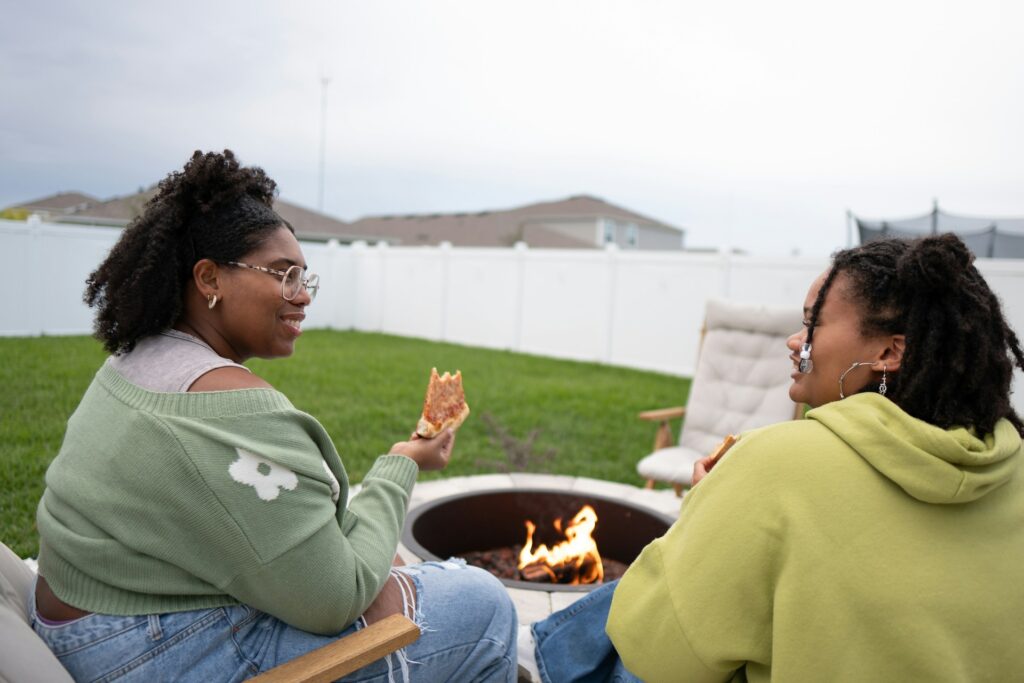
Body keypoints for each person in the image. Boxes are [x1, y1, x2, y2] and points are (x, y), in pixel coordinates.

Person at [32, 150, 517, 682]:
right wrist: (403, 462)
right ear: (210, 278)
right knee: (482, 603)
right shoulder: (230, 409)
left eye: (305, 278)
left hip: (82, 626)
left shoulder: (135, 362)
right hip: (140, 652)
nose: (302, 296)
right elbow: (337, 596)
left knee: (403, 570)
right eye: (284, 275)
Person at [525, 233, 1024, 682]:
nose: (795, 342)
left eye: (811, 325)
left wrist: (703, 520)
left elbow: (654, 656)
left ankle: (535, 658)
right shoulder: (1014, 468)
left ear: (889, 354)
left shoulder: (775, 463)